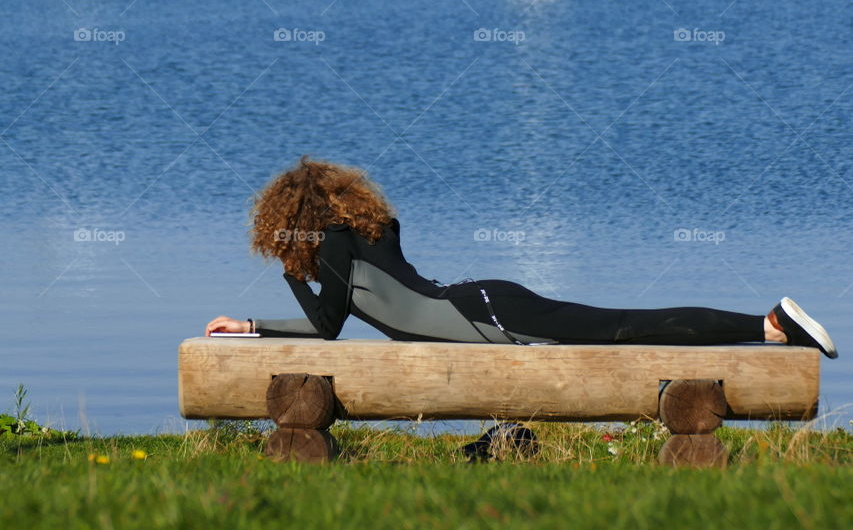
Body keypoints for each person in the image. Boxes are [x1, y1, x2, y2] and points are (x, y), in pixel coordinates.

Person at [205, 158, 838, 357]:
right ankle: (767, 327)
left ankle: (772, 325)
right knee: (618, 324)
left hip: (491, 316)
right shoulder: (367, 232)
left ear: (291, 222)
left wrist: (279, 294)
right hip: (484, 300)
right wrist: (259, 317)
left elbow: (327, 326)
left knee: (622, 327)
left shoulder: (338, 246)